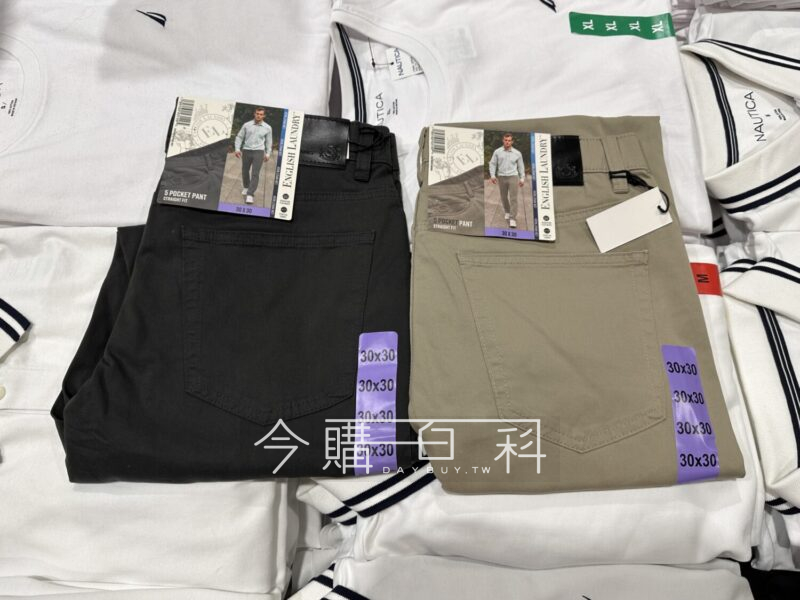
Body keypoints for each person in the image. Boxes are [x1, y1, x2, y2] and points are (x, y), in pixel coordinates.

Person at [234, 107, 273, 204]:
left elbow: (269, 142)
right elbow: (239, 137)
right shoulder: (246, 125)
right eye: (257, 114)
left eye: (261, 114)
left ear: (264, 116)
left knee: (255, 173)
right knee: (245, 170)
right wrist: (237, 149)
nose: (259, 116)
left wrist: (268, 153)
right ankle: (246, 187)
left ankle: (250, 194)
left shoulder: (267, 128)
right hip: (246, 150)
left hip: (259, 152)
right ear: (254, 114)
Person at [489, 133, 525, 228]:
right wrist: (492, 175)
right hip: (501, 177)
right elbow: (492, 164)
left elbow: (521, 166)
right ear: (503, 140)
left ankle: (512, 218)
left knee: (513, 198)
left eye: (509, 140)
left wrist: (522, 178)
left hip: (513, 176)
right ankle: (507, 211)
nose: (507, 142)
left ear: (512, 141)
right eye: (506, 140)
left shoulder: (517, 153)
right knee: (503, 197)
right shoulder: (497, 152)